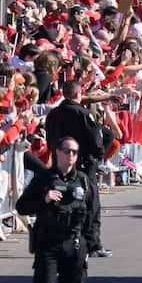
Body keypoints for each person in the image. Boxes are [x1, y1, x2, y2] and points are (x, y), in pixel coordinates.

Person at [15, 137, 94, 283]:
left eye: (74, 152)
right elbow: (22, 207)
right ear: (57, 152)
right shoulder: (44, 178)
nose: (71, 156)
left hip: (73, 243)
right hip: (48, 242)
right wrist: (44, 199)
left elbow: (92, 214)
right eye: (67, 151)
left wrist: (91, 243)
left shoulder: (83, 181)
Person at [44, 79, 110, 258]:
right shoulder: (83, 114)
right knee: (90, 203)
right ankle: (92, 243)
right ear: (78, 94)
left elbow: (49, 137)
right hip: (82, 164)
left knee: (60, 201)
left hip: (59, 163)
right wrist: (98, 155)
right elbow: (96, 141)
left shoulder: (53, 115)